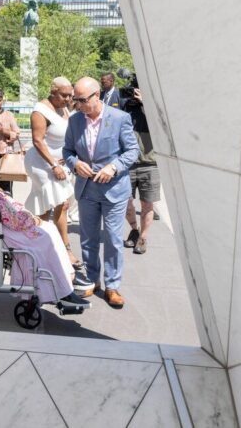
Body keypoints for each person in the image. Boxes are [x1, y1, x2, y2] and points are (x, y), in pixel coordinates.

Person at [0, 148, 89, 308]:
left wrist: (29, 216)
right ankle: (55, 290)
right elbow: (8, 215)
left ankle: (66, 279)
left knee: (50, 229)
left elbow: (8, 205)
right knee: (41, 238)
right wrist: (31, 220)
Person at [63, 77, 139, 309]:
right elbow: (67, 151)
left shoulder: (120, 118)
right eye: (75, 100)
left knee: (114, 239)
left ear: (96, 95)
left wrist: (113, 167)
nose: (78, 105)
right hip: (87, 188)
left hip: (114, 189)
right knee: (88, 238)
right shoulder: (75, 120)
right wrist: (75, 163)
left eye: (82, 100)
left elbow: (132, 150)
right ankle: (92, 279)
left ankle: (112, 285)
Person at [24, 77, 93, 292]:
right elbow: (38, 140)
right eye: (64, 95)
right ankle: (64, 249)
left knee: (47, 208)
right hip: (42, 164)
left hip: (59, 165)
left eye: (71, 95)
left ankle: (36, 243)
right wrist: (54, 164)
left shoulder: (64, 108)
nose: (68, 98)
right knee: (61, 204)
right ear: (52, 91)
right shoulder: (40, 110)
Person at [122, 80, 161, 254]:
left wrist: (146, 103)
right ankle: (134, 230)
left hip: (150, 163)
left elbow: (161, 124)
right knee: (125, 202)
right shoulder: (125, 106)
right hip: (127, 163)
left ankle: (143, 238)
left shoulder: (154, 105)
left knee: (147, 204)